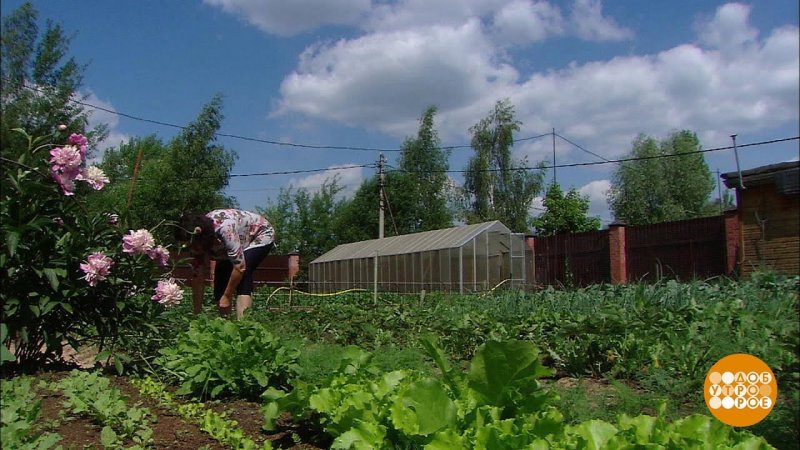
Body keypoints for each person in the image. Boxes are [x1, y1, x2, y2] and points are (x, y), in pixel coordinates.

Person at [177, 209, 275, 319]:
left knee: (244, 274)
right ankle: (224, 322)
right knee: (221, 276)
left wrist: (227, 296)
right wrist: (197, 312)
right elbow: (198, 277)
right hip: (233, 240)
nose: (192, 249)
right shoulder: (196, 244)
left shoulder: (224, 228)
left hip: (259, 234)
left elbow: (240, 267)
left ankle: (244, 324)